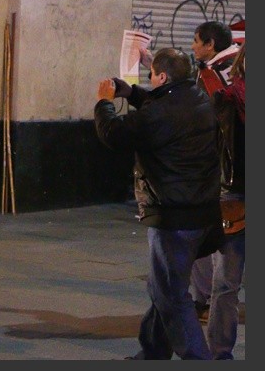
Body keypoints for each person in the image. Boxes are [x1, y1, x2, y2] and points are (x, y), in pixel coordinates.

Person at [96, 48, 224, 360]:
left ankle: (198, 358)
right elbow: (164, 107)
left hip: (174, 216)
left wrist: (103, 103)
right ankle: (153, 351)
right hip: (203, 210)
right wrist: (132, 92)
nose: (152, 80)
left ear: (162, 76)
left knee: (171, 295)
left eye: (152, 75)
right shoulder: (197, 98)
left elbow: (114, 134)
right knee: (164, 285)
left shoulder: (161, 113)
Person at [194, 42, 246, 360]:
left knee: (225, 282)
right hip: (234, 196)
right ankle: (220, 353)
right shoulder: (225, 100)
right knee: (226, 282)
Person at [188, 21, 241, 322]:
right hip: (238, 170)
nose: (193, 47)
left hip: (219, 171)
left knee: (203, 235)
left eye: (196, 41)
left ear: (210, 44)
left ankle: (204, 301)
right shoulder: (238, 67)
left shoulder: (211, 76)